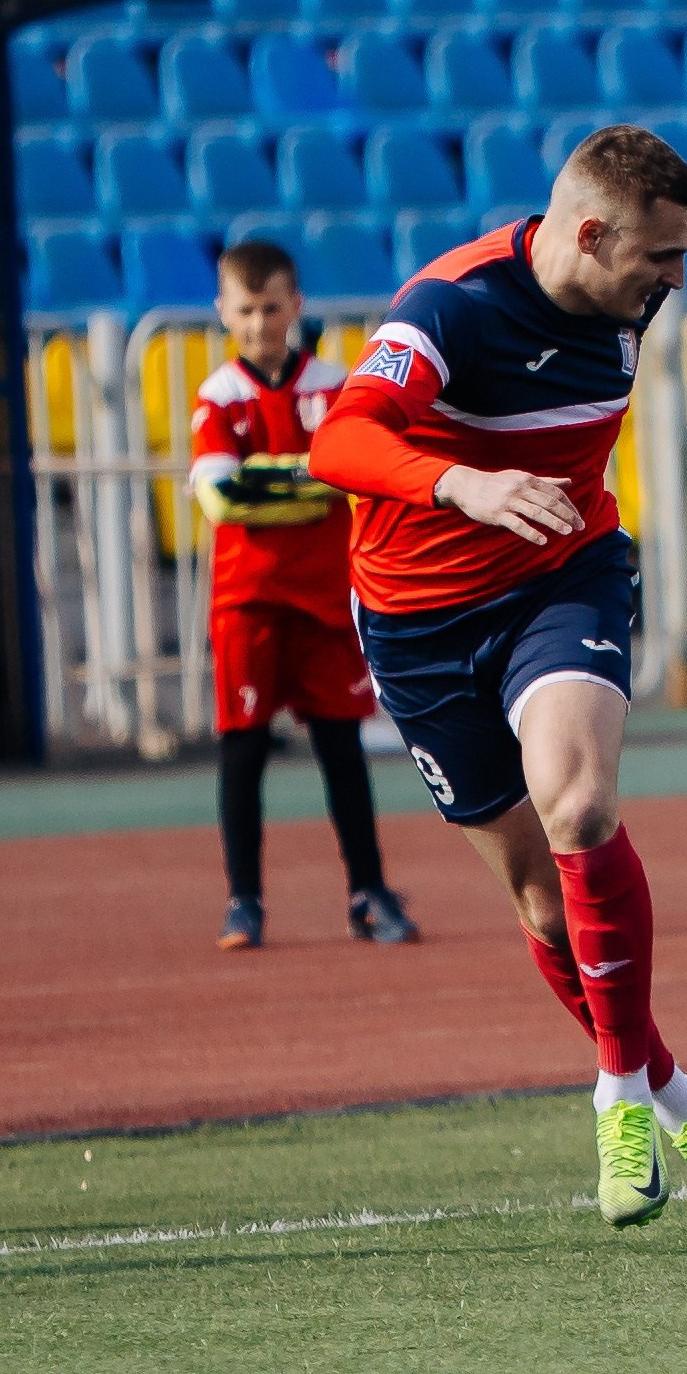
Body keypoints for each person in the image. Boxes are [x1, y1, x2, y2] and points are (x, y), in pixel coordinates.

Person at [308, 127, 687, 1235]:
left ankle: (617, 1091)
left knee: (579, 805)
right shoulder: (449, 305)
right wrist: (461, 486)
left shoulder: (634, 299)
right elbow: (341, 442)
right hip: (416, 625)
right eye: (661, 257)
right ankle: (675, 1092)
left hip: (560, 574)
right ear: (589, 233)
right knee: (538, 898)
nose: (679, 280)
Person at [190, 240, 416, 952]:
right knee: (243, 749)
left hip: (324, 597)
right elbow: (222, 499)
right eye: (247, 309)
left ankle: (368, 889)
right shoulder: (219, 397)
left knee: (341, 749)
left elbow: (357, 473)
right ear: (225, 312)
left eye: (272, 306)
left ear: (297, 305)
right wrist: (308, 479)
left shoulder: (334, 385)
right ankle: (244, 900)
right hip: (247, 598)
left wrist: (271, 477)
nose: (261, 322)